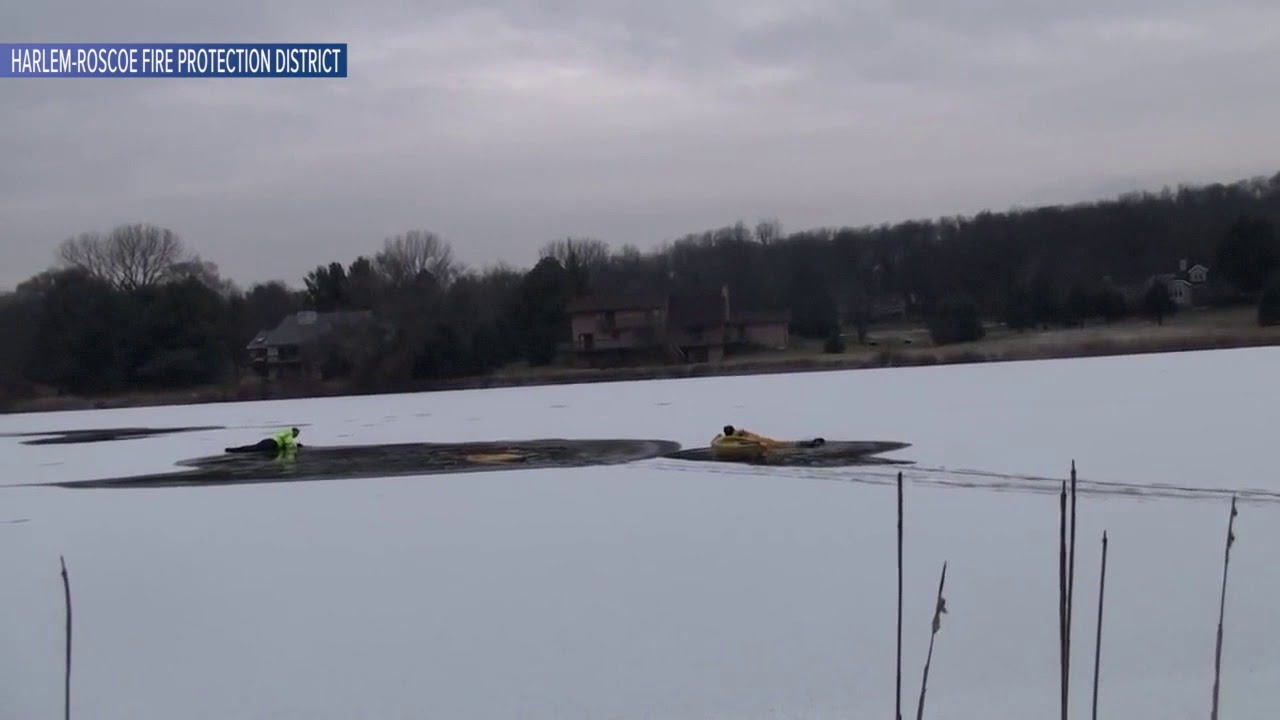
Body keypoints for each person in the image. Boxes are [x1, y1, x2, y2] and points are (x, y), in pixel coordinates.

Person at [225, 427, 302, 455]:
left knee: (253, 447)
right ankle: (234, 450)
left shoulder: (285, 431)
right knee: (254, 449)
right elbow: (288, 443)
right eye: (297, 434)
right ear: (294, 431)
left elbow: (286, 442)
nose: (296, 436)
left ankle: (235, 449)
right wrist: (295, 448)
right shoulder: (289, 433)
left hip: (268, 441)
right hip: (272, 444)